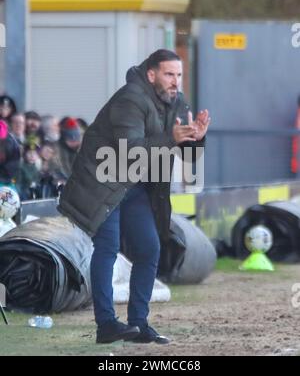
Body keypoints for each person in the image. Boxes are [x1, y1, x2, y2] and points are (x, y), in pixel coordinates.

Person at [58, 49, 210, 344]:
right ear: (151, 74)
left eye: (178, 75)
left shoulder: (177, 102)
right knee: (108, 248)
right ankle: (106, 325)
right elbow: (131, 151)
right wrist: (172, 138)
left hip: (134, 185)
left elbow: (188, 156)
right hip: (103, 182)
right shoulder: (131, 98)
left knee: (149, 249)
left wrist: (198, 137)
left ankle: (138, 324)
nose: (175, 81)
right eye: (169, 74)